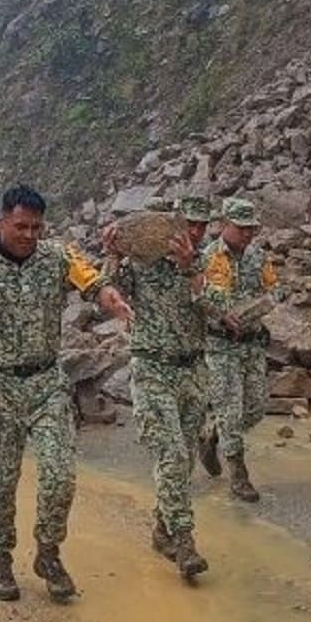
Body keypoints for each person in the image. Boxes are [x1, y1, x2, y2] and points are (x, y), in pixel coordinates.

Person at [0, 184, 132, 602]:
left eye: (36, 227)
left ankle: (48, 554)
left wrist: (111, 298)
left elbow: (92, 281)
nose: (29, 234)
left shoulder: (56, 256)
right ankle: (0, 562)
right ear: (2, 221)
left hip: (46, 384)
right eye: (20, 226)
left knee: (60, 477)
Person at [103, 194, 214, 580]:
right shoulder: (141, 264)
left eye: (203, 225)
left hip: (193, 372)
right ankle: (185, 542)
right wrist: (114, 254)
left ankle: (163, 528)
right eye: (189, 224)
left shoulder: (206, 263)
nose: (196, 232)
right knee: (172, 455)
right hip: (152, 369)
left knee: (185, 460)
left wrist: (191, 269)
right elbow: (110, 292)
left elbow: (216, 310)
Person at [200, 196, 278, 502]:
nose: (247, 234)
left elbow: (275, 288)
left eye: (251, 229)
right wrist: (220, 314)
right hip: (220, 346)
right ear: (224, 225)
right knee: (230, 408)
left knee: (256, 407)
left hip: (252, 343)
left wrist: (260, 306)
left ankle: (212, 436)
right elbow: (198, 297)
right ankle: (238, 474)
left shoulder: (258, 257)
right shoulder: (207, 258)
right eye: (241, 228)